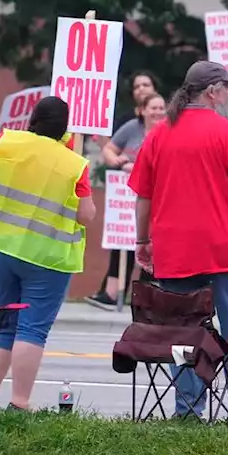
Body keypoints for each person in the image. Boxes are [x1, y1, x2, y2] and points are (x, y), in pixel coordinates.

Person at [129, 61, 228, 417]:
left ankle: (189, 409)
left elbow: (143, 197)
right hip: (224, 247)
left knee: (181, 330)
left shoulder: (159, 135)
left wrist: (142, 240)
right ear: (212, 91)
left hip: (175, 250)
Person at [0, 96, 96, 409]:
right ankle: (19, 403)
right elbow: (86, 216)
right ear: (65, 129)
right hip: (47, 259)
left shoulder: (7, 143)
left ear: (32, 119)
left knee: (4, 325)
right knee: (32, 329)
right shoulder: (74, 164)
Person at [86, 92, 167, 309]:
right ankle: (112, 294)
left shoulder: (171, 132)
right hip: (126, 197)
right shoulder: (132, 128)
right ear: (142, 111)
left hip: (159, 199)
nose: (158, 112)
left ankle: (147, 297)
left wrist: (139, 169)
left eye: (162, 108)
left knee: (154, 245)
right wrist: (118, 162)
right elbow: (109, 151)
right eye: (154, 108)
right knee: (122, 241)